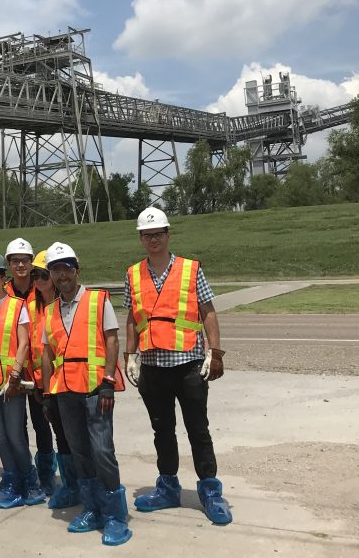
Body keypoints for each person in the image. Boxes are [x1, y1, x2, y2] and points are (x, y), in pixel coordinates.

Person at [124, 206, 231, 525]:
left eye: (158, 234)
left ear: (168, 235)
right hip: (154, 366)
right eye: (147, 235)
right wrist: (131, 354)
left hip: (188, 365)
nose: (153, 239)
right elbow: (132, 317)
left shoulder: (190, 269)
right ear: (141, 239)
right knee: (162, 431)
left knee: (198, 430)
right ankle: (168, 487)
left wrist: (216, 351)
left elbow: (207, 311)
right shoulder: (133, 273)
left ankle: (210, 492)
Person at [41, 242, 132, 546]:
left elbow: (112, 341)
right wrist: (46, 393)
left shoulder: (97, 300)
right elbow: (47, 352)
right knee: (79, 451)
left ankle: (116, 517)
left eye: (67, 268)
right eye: (56, 270)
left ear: (77, 270)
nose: (62, 274)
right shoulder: (50, 310)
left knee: (102, 450)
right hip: (65, 392)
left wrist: (108, 380)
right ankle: (92, 508)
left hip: (96, 390)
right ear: (52, 275)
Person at [0, 250, 47, 509]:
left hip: (10, 381)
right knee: (1, 436)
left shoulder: (17, 306)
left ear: (4, 278)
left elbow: (24, 342)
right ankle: (12, 480)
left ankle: (31, 481)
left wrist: (15, 373)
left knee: (15, 434)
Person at [27, 249, 78, 509]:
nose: (39, 279)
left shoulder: (66, 304)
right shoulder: (30, 306)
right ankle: (67, 484)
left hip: (68, 381)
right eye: (35, 274)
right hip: (40, 383)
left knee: (74, 434)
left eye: (43, 274)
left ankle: (82, 482)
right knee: (55, 433)